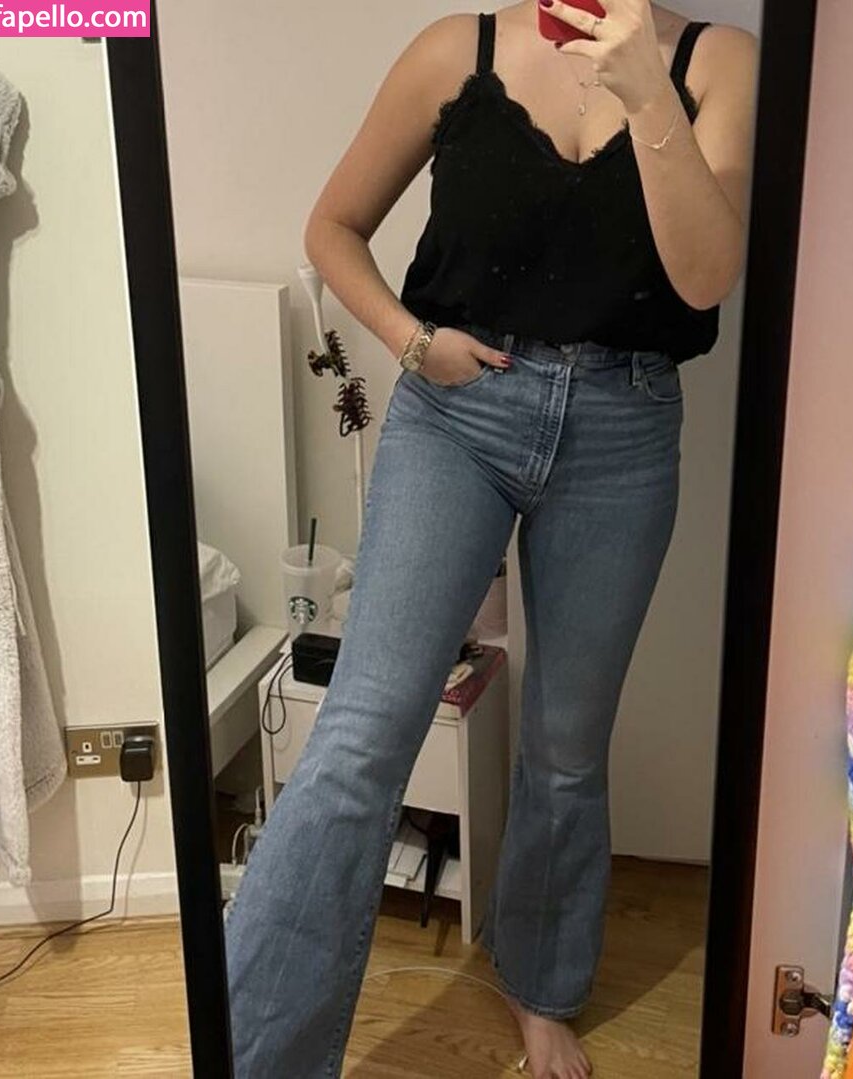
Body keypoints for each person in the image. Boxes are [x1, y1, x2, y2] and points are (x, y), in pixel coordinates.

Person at [223, 3, 756, 1077]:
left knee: (566, 747)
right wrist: (411, 340)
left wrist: (647, 88)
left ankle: (540, 984)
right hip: (455, 417)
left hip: (624, 429)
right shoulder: (452, 52)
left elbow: (704, 278)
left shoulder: (719, 62)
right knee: (361, 735)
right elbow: (332, 227)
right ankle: (256, 1051)